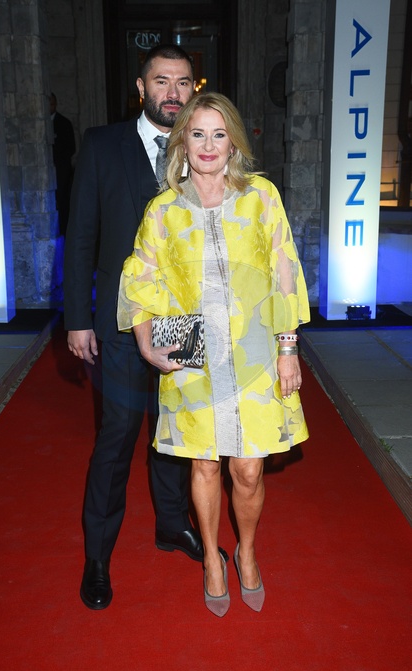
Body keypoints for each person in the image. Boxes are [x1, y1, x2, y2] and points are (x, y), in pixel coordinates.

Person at [118, 92, 310, 617]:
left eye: (219, 134)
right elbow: (139, 278)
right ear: (182, 141)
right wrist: (146, 343)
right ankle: (211, 558)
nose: (208, 145)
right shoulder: (162, 210)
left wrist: (288, 347)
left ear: (234, 144)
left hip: (255, 354)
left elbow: (285, 272)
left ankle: (246, 551)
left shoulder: (261, 197)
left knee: (248, 469)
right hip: (193, 353)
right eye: (197, 133)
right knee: (203, 465)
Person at [64, 45, 226, 612]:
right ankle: (97, 556)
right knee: (117, 434)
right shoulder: (101, 145)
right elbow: (81, 236)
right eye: (161, 81)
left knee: (176, 432)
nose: (173, 93)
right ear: (141, 87)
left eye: (183, 82)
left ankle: (171, 524)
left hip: (183, 317)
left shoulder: (201, 147)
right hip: (118, 319)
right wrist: (77, 319)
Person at [50, 93, 76, 235]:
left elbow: (71, 147)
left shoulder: (64, 123)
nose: (50, 107)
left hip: (61, 171)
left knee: (63, 202)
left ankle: (63, 231)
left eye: (52, 104)